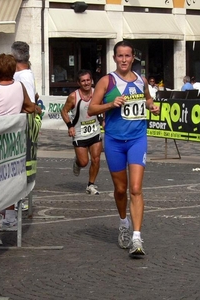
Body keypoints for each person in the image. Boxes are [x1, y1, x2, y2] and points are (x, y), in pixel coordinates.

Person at [88, 41, 160, 257]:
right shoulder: (106, 81)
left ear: (133, 58)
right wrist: (110, 104)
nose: (124, 60)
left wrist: (152, 106)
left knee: (136, 188)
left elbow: (147, 98)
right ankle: (123, 223)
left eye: (128, 56)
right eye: (120, 56)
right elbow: (92, 108)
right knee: (121, 189)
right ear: (114, 58)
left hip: (138, 139)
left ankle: (137, 237)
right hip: (114, 141)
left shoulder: (141, 80)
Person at [0, 53, 38, 245]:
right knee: (7, 184)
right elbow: (29, 107)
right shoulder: (19, 87)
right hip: (13, 145)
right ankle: (9, 217)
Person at [10, 41, 42, 214]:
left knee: (24, 164)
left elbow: (28, 104)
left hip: (24, 126)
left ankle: (22, 200)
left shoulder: (23, 77)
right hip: (25, 125)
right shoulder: (25, 74)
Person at [61, 70, 102, 195]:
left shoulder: (97, 93)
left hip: (95, 130)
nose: (86, 83)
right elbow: (64, 111)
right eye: (83, 81)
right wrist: (70, 126)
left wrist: (104, 119)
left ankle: (91, 185)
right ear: (79, 83)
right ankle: (77, 162)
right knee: (84, 162)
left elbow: (103, 106)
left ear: (92, 80)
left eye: (88, 80)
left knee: (96, 159)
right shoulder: (74, 96)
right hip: (79, 132)